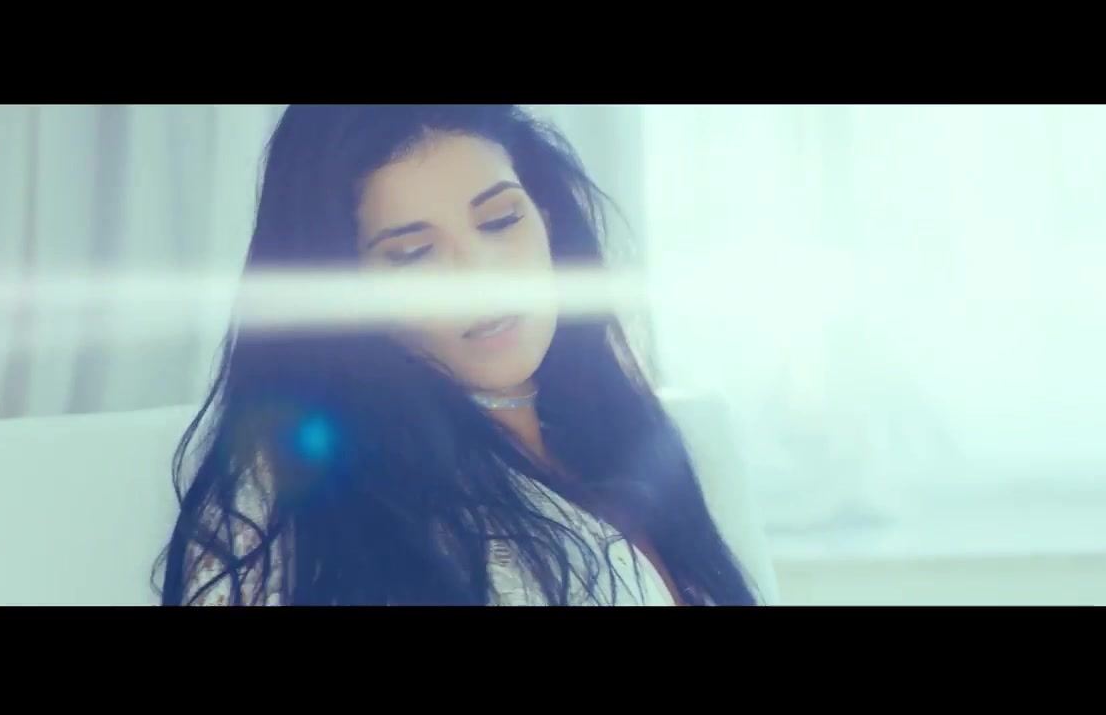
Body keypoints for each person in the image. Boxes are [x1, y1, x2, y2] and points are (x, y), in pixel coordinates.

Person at [156, 105, 769, 606]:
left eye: (500, 220)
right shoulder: (299, 496)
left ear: (547, 221)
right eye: (412, 254)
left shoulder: (629, 437)